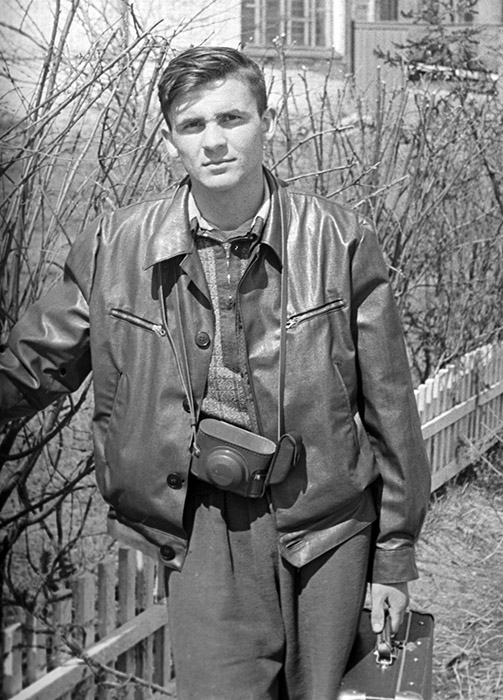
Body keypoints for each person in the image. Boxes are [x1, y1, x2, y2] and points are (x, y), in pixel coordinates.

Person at [0, 46, 431, 699]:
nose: (214, 141)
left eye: (231, 118)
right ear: (169, 138)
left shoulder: (338, 240)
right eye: (193, 124)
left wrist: (393, 555)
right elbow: (32, 364)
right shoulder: (117, 246)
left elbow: (390, 407)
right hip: (202, 524)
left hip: (329, 521)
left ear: (265, 121)